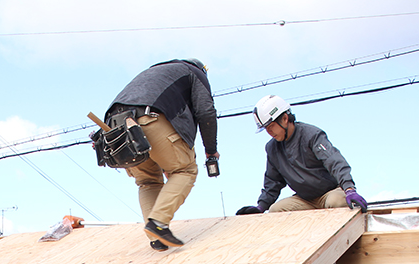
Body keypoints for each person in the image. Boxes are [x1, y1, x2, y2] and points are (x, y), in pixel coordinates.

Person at [104, 58, 220, 251]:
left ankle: (155, 236)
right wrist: (210, 149)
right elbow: (205, 111)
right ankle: (158, 223)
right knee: (185, 170)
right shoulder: (195, 72)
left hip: (118, 127)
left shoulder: (152, 74)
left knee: (147, 181)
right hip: (149, 117)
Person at [237, 95, 367, 215]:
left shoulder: (311, 135)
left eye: (271, 126)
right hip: (304, 199)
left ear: (285, 119)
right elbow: (273, 182)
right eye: (266, 129)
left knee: (336, 202)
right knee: (276, 210)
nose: (269, 132)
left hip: (329, 193)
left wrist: (349, 189)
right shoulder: (272, 148)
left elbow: (335, 162)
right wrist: (260, 207)